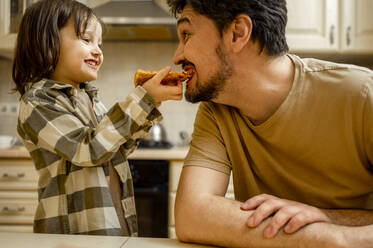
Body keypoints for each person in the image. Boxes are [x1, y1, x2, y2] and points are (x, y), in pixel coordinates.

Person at [166, 0, 373, 247]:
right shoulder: (216, 110)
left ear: (238, 33)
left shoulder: (361, 95)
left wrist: (330, 221)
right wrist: (327, 237)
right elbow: (192, 215)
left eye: (186, 34)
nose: (178, 56)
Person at [13, 0, 182, 236]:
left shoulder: (91, 99)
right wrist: (142, 101)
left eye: (100, 43)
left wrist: (149, 105)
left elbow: (115, 148)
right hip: (71, 237)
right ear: (47, 40)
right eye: (86, 39)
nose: (98, 50)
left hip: (110, 226)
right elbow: (89, 148)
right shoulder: (39, 102)